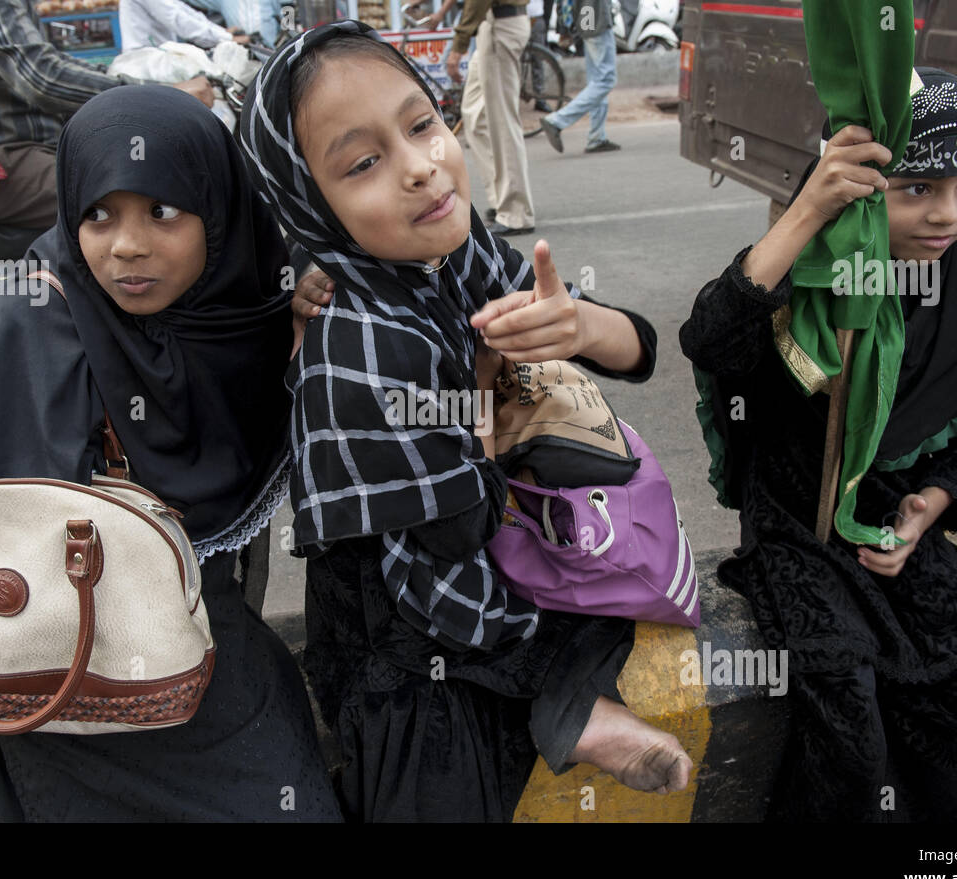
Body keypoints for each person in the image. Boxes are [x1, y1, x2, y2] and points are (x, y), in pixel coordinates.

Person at [238, 21, 693, 822]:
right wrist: (486, 394)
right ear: (313, 202)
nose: (420, 167)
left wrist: (579, 326)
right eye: (364, 163)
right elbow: (455, 534)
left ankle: (570, 705)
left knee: (601, 587)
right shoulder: (359, 342)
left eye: (422, 124)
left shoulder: (451, 248)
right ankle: (572, 707)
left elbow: (640, 349)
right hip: (402, 638)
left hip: (468, 534)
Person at [0, 84, 342, 823]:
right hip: (54, 681)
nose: (126, 245)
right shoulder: (26, 320)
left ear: (218, 217)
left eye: (162, 212)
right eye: (98, 214)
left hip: (202, 657)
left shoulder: (246, 308)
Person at [679, 68, 957, 822]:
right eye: (919, 189)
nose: (949, 215)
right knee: (851, 732)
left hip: (893, 533)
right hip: (799, 530)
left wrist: (923, 511)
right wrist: (807, 209)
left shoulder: (951, 279)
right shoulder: (810, 269)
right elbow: (707, 338)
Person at [0, 0, 215, 229]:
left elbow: (48, 60)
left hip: (26, 151)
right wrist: (152, 94)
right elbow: (42, 79)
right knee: (137, 195)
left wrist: (127, 80)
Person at [447, 0, 535, 235]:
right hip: (490, 24)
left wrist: (459, 45)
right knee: (473, 115)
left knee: (502, 122)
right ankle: (501, 199)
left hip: (500, 24)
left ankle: (516, 212)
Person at [539, 0, 619, 154]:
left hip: (587, 18)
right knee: (606, 80)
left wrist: (564, 27)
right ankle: (557, 121)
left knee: (597, 80)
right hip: (594, 17)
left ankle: (597, 137)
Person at [118, 0, 240, 51]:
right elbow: (177, 19)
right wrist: (227, 38)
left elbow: (185, 12)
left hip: (158, 55)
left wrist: (223, 32)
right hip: (146, 59)